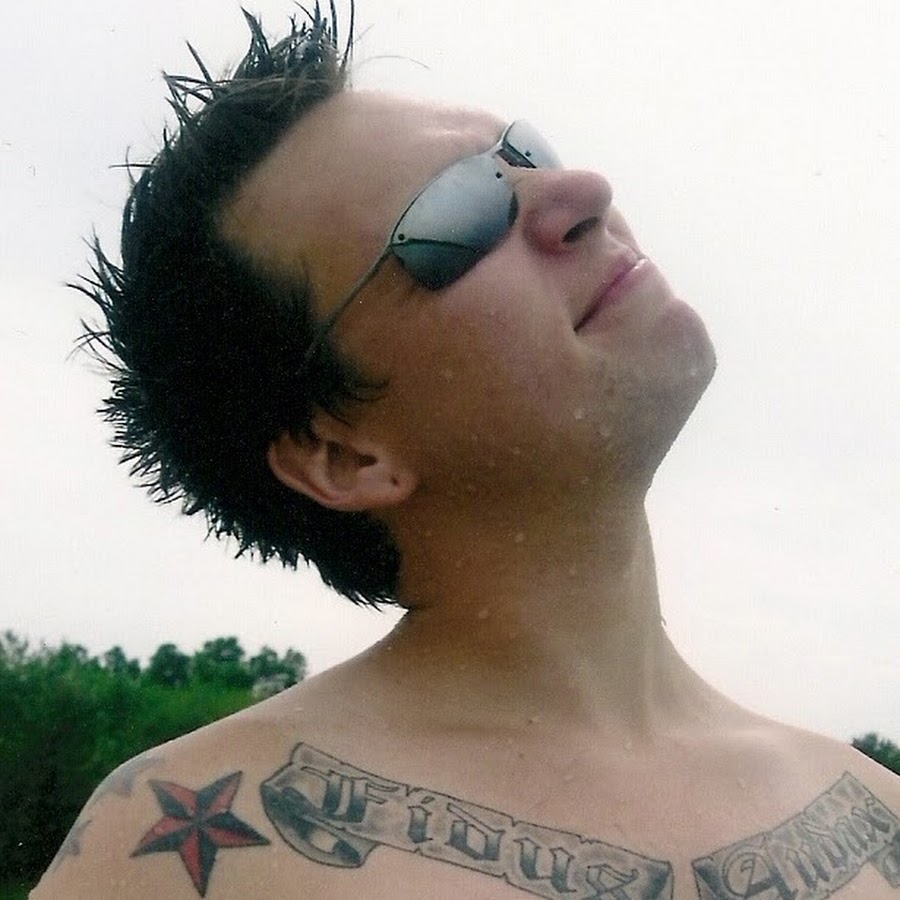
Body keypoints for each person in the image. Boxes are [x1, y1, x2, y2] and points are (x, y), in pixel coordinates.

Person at [32, 6, 900, 900]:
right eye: (459, 213)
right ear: (341, 453)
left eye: (527, 152)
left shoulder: (879, 818)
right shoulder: (182, 850)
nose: (584, 190)